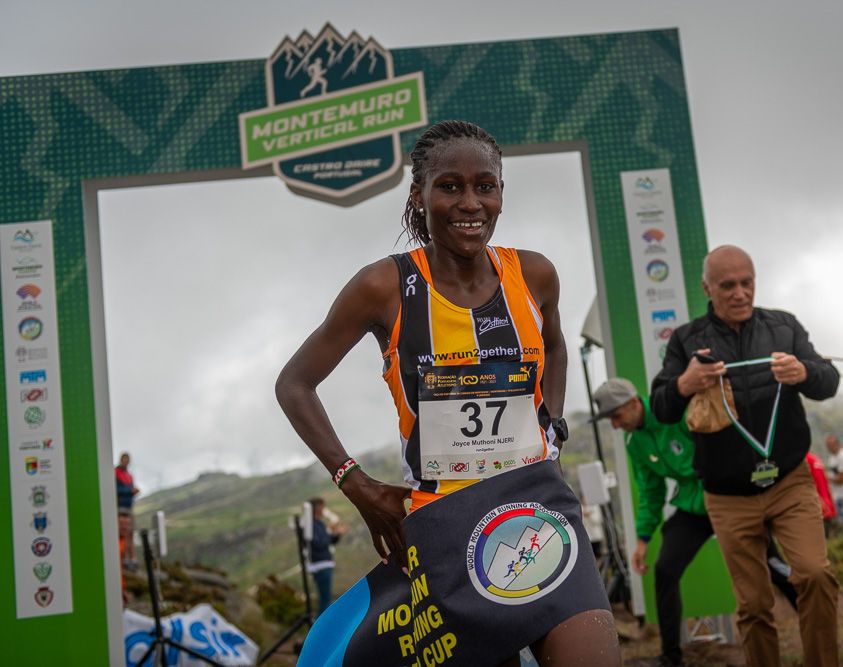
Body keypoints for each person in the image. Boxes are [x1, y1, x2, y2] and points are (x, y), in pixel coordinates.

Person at [275, 120, 619, 665]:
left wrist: (551, 428)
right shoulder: (383, 288)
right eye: (449, 185)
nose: (470, 202)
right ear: (420, 194)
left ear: (502, 191)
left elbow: (554, 349)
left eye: (486, 185)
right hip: (445, 525)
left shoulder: (533, 275)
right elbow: (294, 384)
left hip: (536, 509)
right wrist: (356, 485)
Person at [649, 245, 840, 667]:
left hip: (789, 480)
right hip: (728, 495)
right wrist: (685, 382)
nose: (739, 293)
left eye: (746, 283)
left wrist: (804, 372)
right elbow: (661, 406)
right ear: (707, 288)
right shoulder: (686, 339)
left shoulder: (784, 326)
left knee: (815, 574)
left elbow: (829, 381)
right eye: (727, 285)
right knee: (753, 604)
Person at [593, 376, 797, 667]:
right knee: (665, 570)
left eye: (616, 416)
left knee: (773, 566)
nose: (614, 424)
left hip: (728, 497)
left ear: (634, 403)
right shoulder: (634, 441)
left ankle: (816, 625)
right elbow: (651, 491)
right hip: (692, 508)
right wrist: (642, 540)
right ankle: (671, 658)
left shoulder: (674, 413)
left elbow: (724, 447)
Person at [307, 497, 347, 613]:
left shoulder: (319, 524)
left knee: (326, 598)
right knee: (325, 599)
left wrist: (338, 534)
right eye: (323, 506)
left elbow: (330, 540)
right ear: (317, 508)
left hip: (324, 564)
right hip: (320, 565)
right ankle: (322, 627)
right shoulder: (312, 525)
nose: (325, 509)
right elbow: (318, 543)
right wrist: (331, 530)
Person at [115, 452, 139, 568]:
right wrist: (130, 492)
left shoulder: (129, 475)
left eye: (127, 460)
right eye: (124, 459)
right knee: (122, 533)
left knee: (130, 532)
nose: (126, 461)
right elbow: (116, 490)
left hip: (129, 507)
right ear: (121, 460)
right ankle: (122, 558)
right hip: (120, 507)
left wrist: (133, 492)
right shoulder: (116, 473)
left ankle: (132, 559)